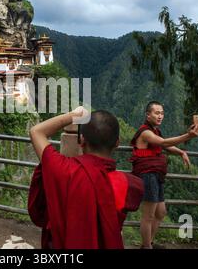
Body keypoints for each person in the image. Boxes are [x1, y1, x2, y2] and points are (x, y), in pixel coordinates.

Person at [28, 107, 144, 249]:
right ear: (117, 143)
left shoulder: (62, 170)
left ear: (81, 140)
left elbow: (36, 132)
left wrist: (74, 115)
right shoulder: (127, 184)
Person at [130, 101, 198, 249]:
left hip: (157, 175)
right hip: (147, 175)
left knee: (161, 212)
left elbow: (165, 145)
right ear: (148, 115)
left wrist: (181, 152)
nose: (160, 116)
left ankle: (148, 242)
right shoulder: (145, 132)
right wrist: (188, 136)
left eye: (162, 113)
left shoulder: (155, 130)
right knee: (148, 215)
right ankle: (146, 246)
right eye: (157, 113)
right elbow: (163, 142)